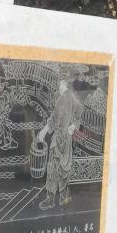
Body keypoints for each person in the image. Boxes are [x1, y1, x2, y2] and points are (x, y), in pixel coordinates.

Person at [37, 73, 83, 210]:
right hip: (62, 138)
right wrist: (73, 125)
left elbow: (56, 118)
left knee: (56, 167)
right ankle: (61, 197)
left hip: (61, 138)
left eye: (61, 84)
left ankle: (53, 198)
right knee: (60, 167)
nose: (59, 87)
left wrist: (73, 126)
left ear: (65, 84)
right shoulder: (67, 98)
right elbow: (77, 111)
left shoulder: (66, 98)